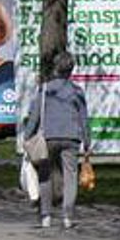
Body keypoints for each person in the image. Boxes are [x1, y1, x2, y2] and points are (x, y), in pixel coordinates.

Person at [34, 52, 91, 229]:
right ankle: (67, 216)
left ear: (56, 68)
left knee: (45, 175)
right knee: (70, 177)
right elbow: (83, 118)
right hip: (71, 138)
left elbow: (35, 115)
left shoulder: (45, 90)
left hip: (48, 137)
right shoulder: (77, 91)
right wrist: (87, 140)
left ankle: (46, 216)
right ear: (71, 69)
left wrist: (28, 136)